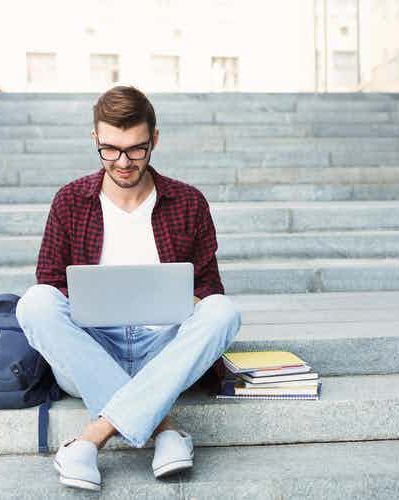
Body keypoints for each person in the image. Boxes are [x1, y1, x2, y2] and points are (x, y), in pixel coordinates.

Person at [15, 85, 242, 491]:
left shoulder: (188, 202)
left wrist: (184, 298)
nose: (122, 162)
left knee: (224, 311)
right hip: (91, 349)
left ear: (154, 139)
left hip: (164, 350)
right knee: (35, 303)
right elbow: (49, 282)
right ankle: (165, 430)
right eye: (110, 149)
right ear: (95, 139)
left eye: (136, 149)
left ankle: (90, 439)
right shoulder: (69, 201)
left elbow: (210, 289)